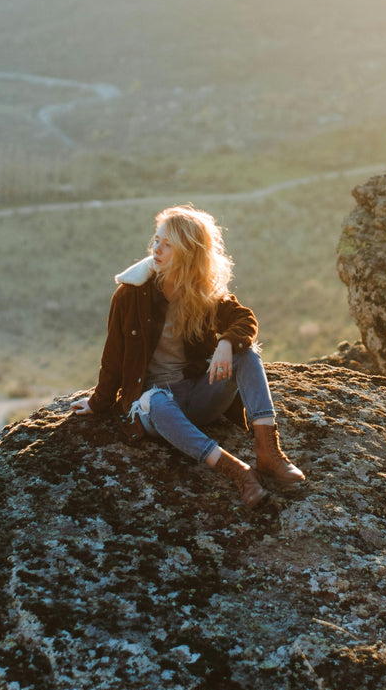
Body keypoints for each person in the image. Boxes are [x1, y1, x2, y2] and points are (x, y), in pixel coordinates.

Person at [71, 204, 305, 508]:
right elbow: (113, 358)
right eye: (156, 241)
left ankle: (268, 452)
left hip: (197, 394)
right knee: (155, 401)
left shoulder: (203, 289)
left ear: (189, 252)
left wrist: (226, 344)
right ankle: (238, 471)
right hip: (156, 404)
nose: (157, 249)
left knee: (247, 355)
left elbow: (244, 320)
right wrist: (97, 402)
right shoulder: (130, 295)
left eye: (168, 245)